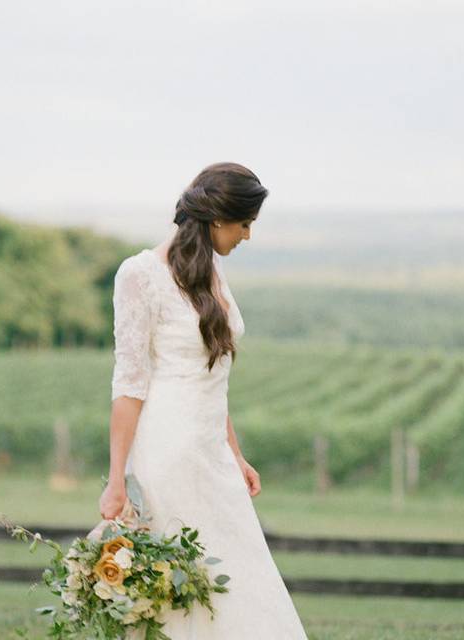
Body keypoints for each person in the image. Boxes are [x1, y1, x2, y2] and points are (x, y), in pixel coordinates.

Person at [98, 162, 308, 638]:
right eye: (245, 224)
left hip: (211, 448)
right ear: (218, 220)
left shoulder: (210, 271)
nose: (248, 236)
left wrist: (234, 451)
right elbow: (129, 384)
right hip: (169, 449)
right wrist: (116, 480)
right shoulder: (139, 275)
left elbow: (212, 375)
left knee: (235, 569)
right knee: (185, 582)